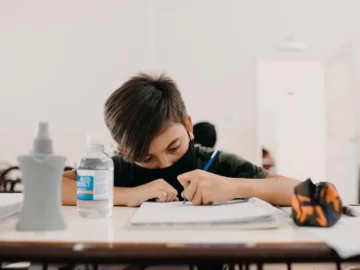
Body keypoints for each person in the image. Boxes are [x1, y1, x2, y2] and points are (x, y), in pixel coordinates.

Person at [62, 73, 300, 207]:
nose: (165, 163)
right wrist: (127, 196)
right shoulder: (117, 169)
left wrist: (233, 186)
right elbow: (47, 188)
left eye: (173, 147)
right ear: (124, 151)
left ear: (188, 125)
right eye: (146, 157)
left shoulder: (216, 163)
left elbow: (300, 190)